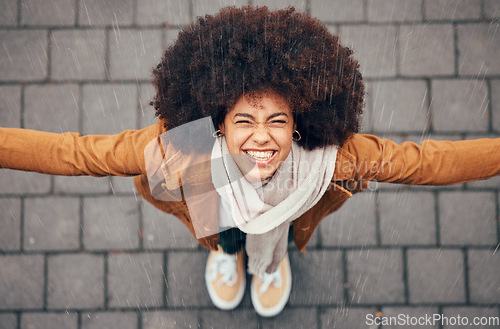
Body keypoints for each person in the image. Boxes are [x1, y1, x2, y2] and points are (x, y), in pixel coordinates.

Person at [0, 6, 499, 317]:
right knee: (226, 238)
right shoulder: (181, 145)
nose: (262, 139)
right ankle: (229, 256)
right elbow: (76, 154)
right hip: (217, 215)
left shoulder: (336, 156)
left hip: (282, 225)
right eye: (244, 122)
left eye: (277, 122)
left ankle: (268, 266)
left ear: (299, 121)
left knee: (270, 242)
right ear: (218, 121)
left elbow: (426, 162)